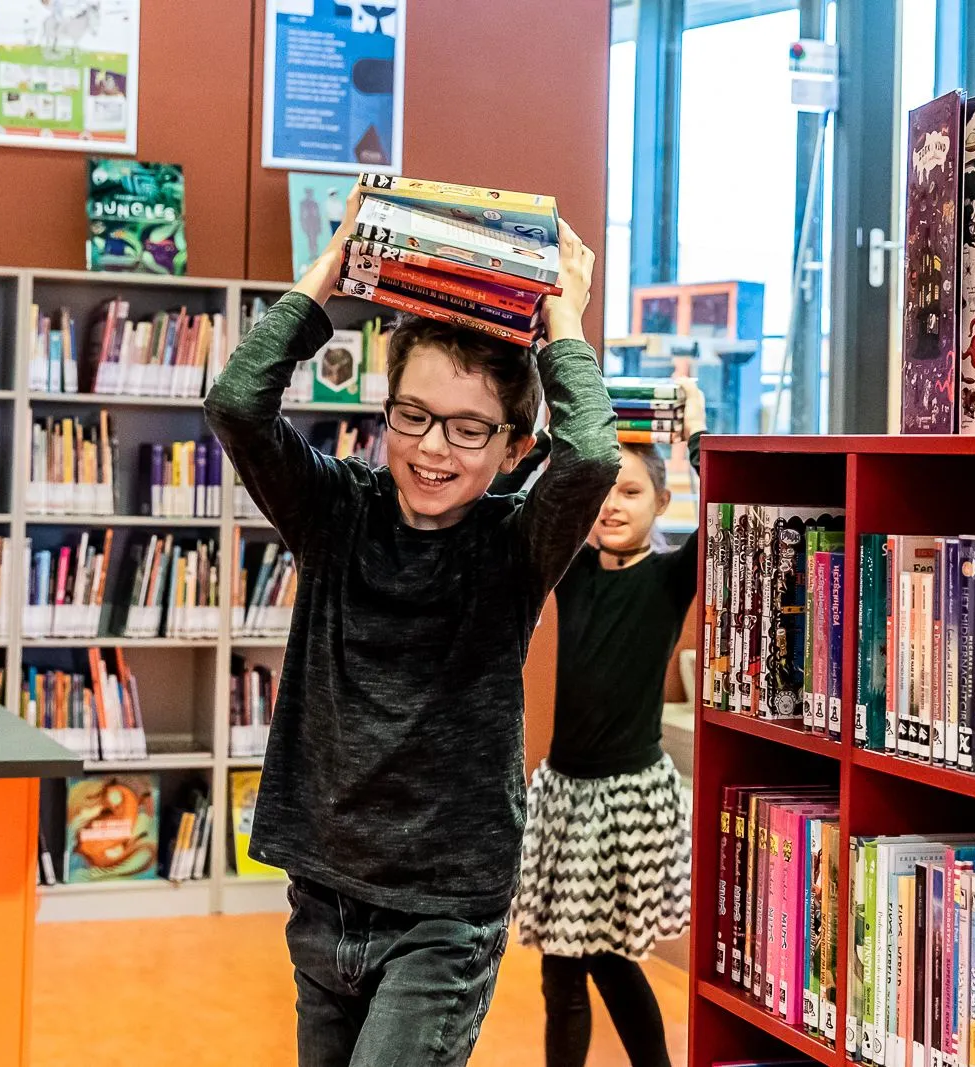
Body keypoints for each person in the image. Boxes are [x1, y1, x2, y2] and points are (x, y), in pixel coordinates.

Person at [203, 184, 621, 1067]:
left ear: (514, 449)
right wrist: (334, 268)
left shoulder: (515, 544)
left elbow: (588, 456)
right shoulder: (333, 510)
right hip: (324, 894)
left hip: (443, 916)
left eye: (470, 431)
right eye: (413, 417)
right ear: (385, 413)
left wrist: (563, 321)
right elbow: (239, 402)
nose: (434, 448)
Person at [497, 382, 706, 1067]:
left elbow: (730, 520)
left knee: (611, 963)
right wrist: (561, 433)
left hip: (628, 801)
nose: (612, 506)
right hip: (565, 793)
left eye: (632, 492)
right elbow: (525, 495)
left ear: (662, 502)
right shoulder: (574, 567)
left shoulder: (671, 577)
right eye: (603, 492)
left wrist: (697, 441)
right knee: (560, 970)